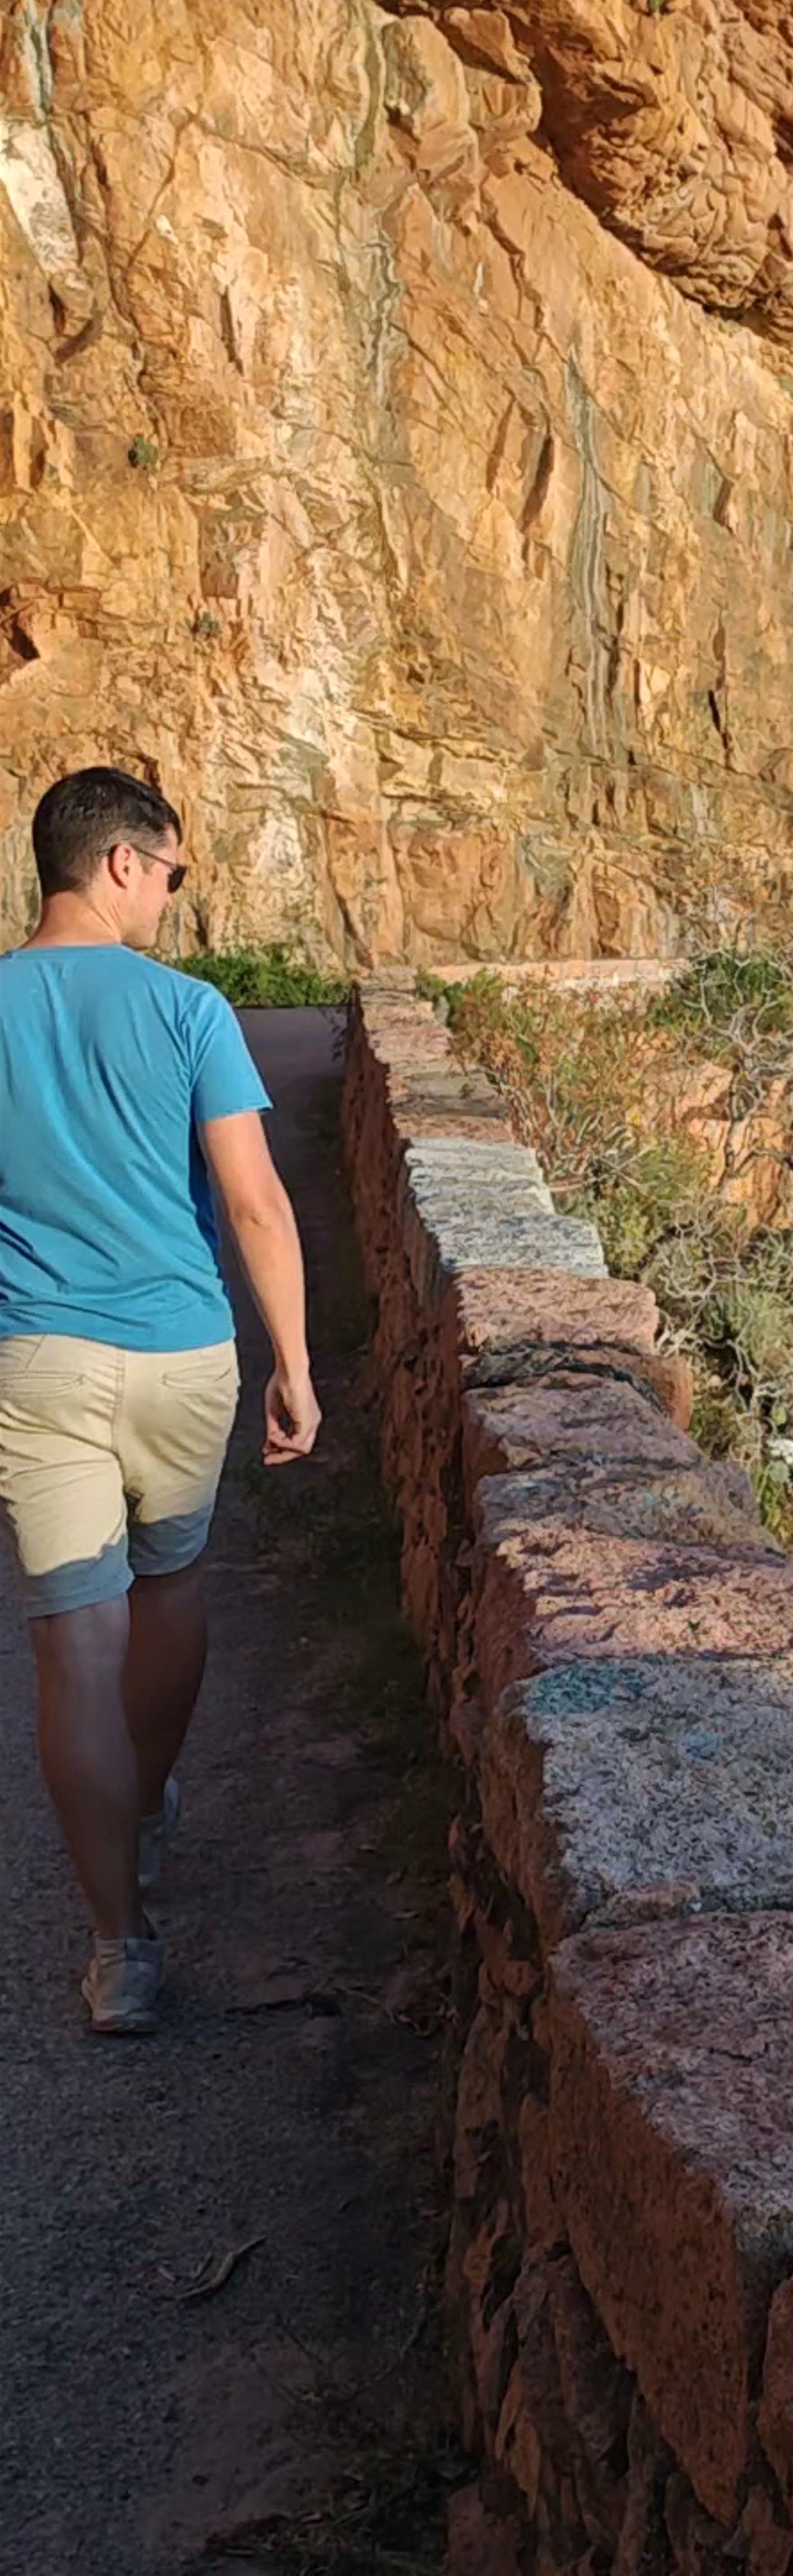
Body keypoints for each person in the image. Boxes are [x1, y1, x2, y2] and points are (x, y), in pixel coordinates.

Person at [0, 767, 322, 2034]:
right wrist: (295, 1363)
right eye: (173, 872)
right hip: (186, 1354)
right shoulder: (190, 1010)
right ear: (121, 862)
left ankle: (117, 1946)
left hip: (37, 1361)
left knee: (74, 1642)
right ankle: (142, 1808)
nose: (175, 899)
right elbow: (254, 1200)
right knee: (171, 1589)